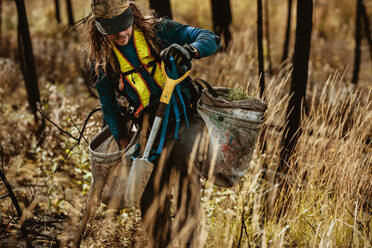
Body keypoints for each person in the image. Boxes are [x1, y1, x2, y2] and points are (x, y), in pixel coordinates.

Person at [86, 0, 220, 246]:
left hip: (185, 116)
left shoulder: (160, 30)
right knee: (149, 197)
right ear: (100, 29)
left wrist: (189, 50)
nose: (120, 33)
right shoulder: (102, 61)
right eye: (112, 29)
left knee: (185, 173)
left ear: (132, 16)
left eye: (123, 25)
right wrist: (125, 144)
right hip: (148, 127)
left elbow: (209, 38)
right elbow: (109, 108)